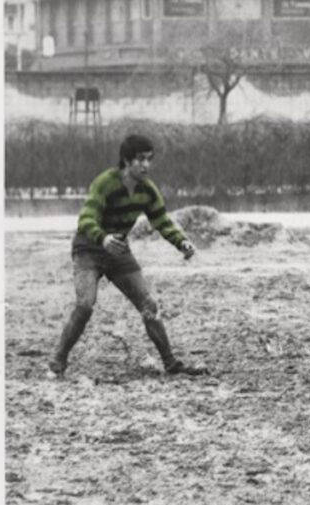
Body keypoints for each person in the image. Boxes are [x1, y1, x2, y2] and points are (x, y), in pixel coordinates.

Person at [48, 134, 206, 379]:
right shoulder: (105, 183)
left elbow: (161, 220)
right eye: (140, 160)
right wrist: (103, 238)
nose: (146, 165)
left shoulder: (147, 189)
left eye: (149, 159)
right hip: (88, 250)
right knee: (85, 304)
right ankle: (58, 361)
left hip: (118, 252)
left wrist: (181, 242)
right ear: (126, 160)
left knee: (148, 305)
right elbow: (86, 218)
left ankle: (171, 363)